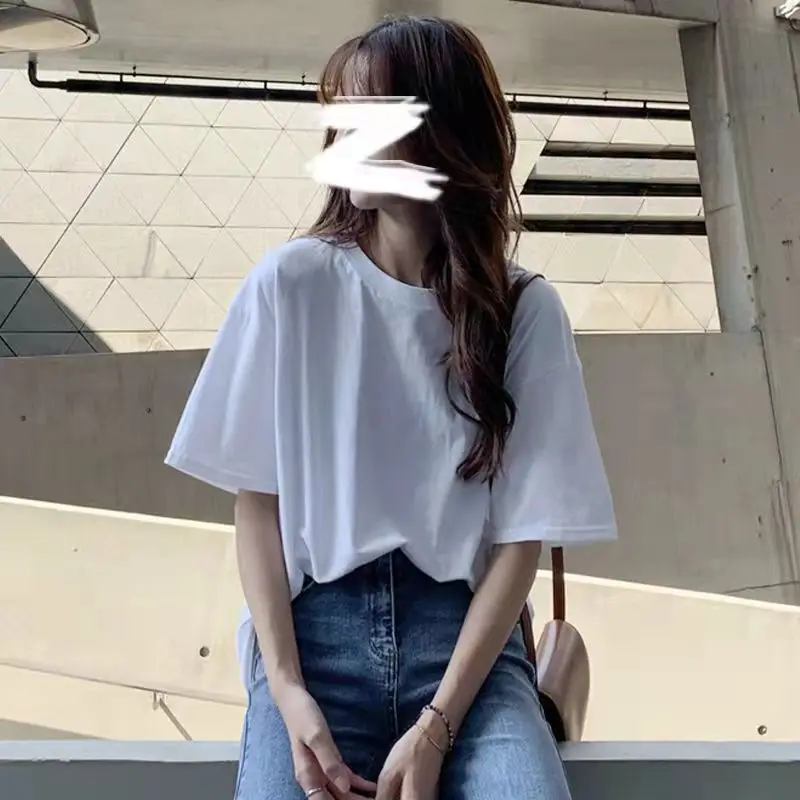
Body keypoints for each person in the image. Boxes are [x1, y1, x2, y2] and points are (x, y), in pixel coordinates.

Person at [165, 14, 617, 800]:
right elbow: (257, 505)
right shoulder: (291, 285)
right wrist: (287, 689)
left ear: (440, 133)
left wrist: (438, 725)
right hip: (313, 638)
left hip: (467, 648)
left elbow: (521, 542)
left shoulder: (522, 310)